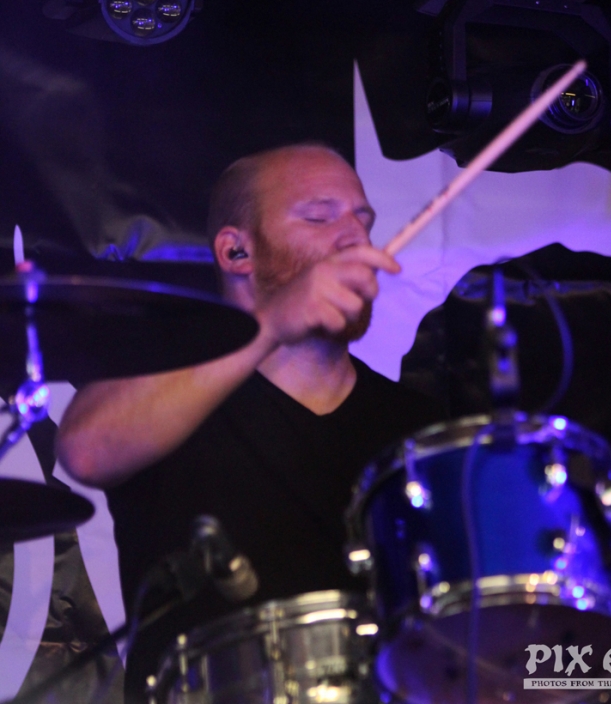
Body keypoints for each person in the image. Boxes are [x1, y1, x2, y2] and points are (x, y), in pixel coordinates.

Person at [56, 143, 443, 700]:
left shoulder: (420, 429)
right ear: (236, 251)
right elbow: (85, 450)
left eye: (363, 220)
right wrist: (272, 321)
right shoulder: (171, 394)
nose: (355, 238)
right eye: (320, 217)